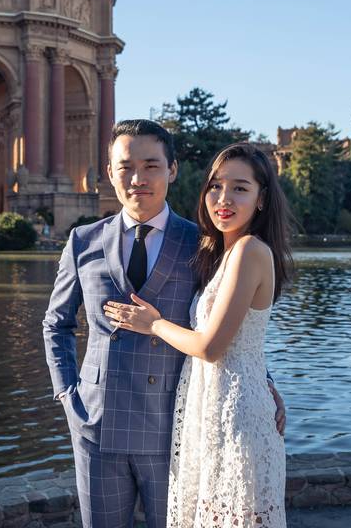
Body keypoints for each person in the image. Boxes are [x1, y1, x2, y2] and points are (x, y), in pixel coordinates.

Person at [43, 122, 285, 528]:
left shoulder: (205, 243)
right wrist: (68, 395)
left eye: (151, 165)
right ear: (109, 172)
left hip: (174, 427)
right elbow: (56, 324)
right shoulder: (82, 241)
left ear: (172, 170)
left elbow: (230, 324)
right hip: (98, 427)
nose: (138, 179)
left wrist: (265, 383)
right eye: (126, 167)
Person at [104, 142, 293, 527]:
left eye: (240, 188)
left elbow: (211, 346)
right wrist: (266, 380)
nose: (224, 198)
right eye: (215, 186)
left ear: (261, 199)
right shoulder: (223, 252)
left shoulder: (250, 251)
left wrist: (152, 323)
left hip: (236, 416)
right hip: (212, 410)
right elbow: (244, 339)